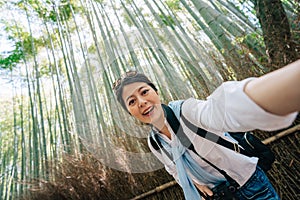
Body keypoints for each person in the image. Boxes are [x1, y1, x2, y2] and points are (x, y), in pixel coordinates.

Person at [112, 59, 300, 200]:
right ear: (130, 112)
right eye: (132, 101)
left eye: (144, 92)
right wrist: (196, 184)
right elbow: (175, 171)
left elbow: (219, 111)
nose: (142, 102)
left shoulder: (186, 111)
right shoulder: (155, 143)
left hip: (252, 187)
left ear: (155, 92)